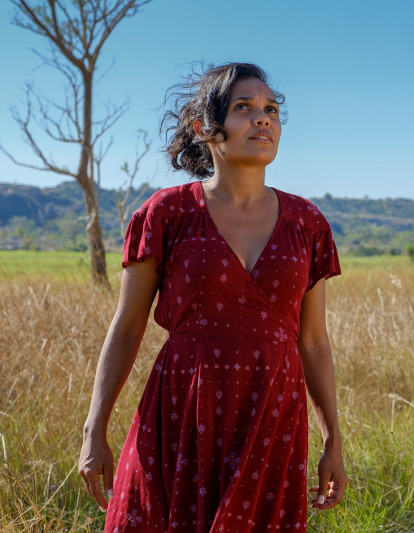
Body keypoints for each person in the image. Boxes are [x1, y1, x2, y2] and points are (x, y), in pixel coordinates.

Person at [78, 63, 347, 532]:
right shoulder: (167, 213)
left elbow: (314, 343)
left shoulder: (307, 223)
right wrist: (94, 429)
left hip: (272, 415)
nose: (263, 119)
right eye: (244, 108)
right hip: (182, 413)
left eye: (271, 110)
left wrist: (333, 442)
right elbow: (127, 326)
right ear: (206, 128)